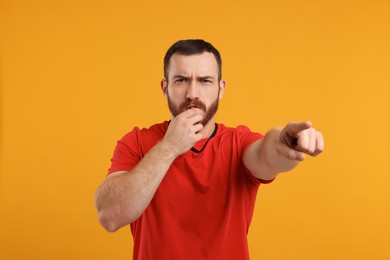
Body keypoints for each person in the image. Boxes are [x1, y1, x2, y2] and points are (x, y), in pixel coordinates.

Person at [95, 39, 324, 259]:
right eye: (181, 80)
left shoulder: (238, 143)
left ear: (220, 89)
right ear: (165, 88)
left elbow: (267, 153)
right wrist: (170, 147)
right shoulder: (136, 142)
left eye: (205, 81)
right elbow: (110, 216)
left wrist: (284, 143)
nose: (192, 93)